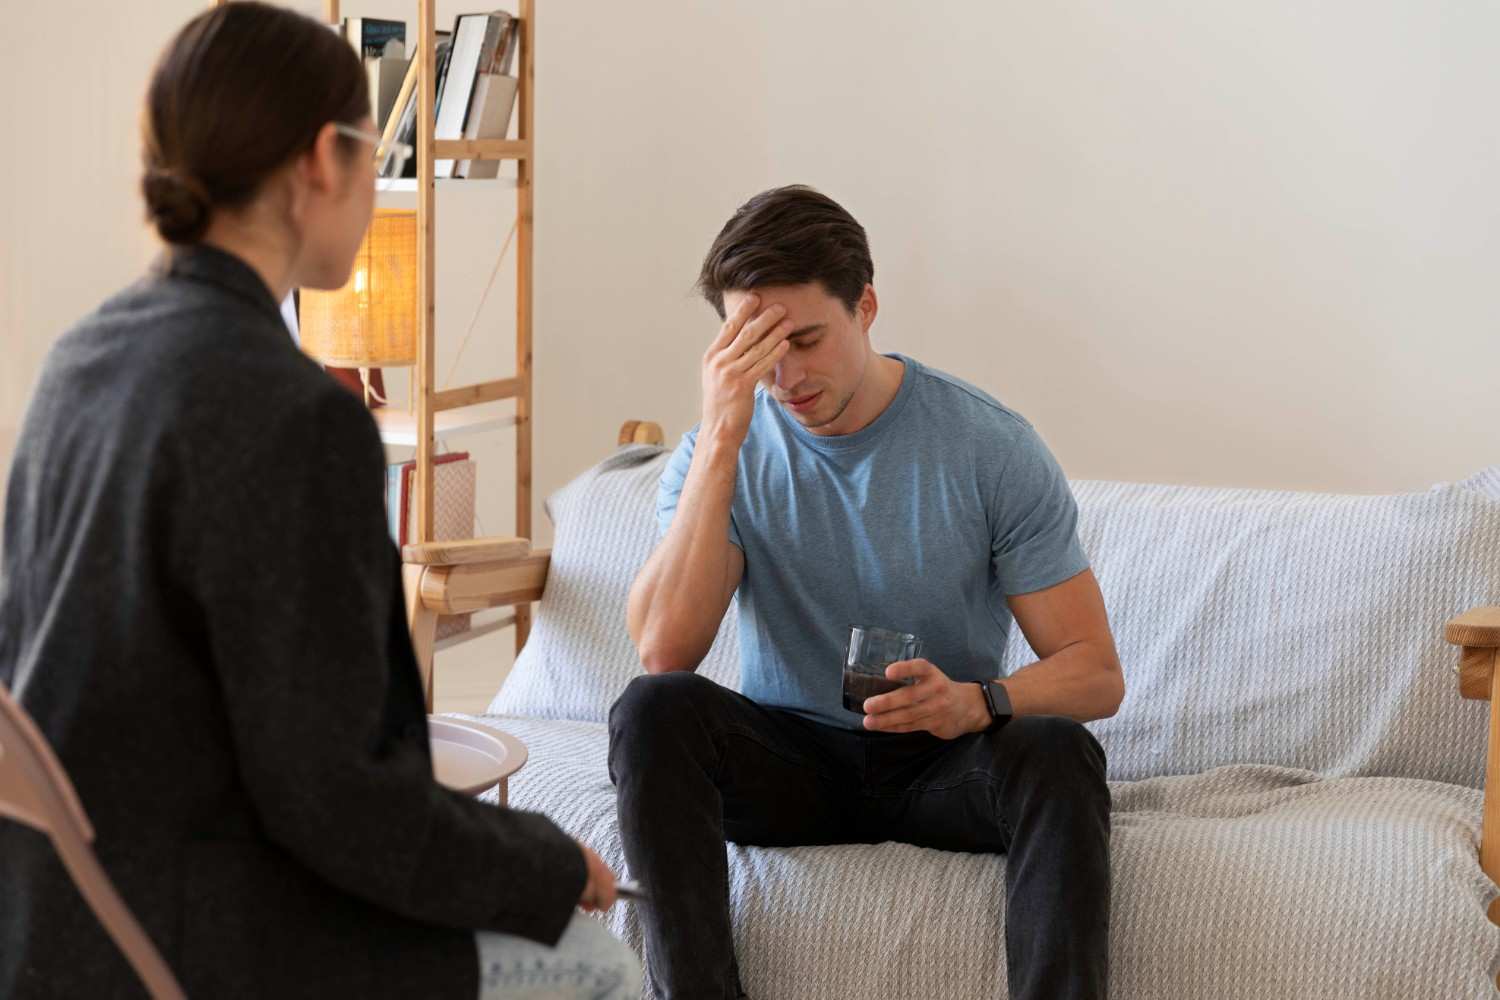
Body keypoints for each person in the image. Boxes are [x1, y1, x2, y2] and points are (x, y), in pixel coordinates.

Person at [0, 5, 638, 998]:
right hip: (201, 938)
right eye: (368, 140)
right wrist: (547, 867)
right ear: (320, 162)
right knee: (595, 963)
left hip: (53, 921)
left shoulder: (79, 361)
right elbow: (336, 797)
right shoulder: (299, 417)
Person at [611, 185, 1125, 999]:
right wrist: (721, 439)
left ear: (867, 307)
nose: (785, 374)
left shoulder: (988, 445)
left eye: (807, 339)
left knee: (1059, 749)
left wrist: (978, 702)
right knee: (651, 709)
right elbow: (667, 650)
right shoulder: (724, 444)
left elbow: (1095, 672)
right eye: (756, 348)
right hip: (791, 762)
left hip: (944, 766)